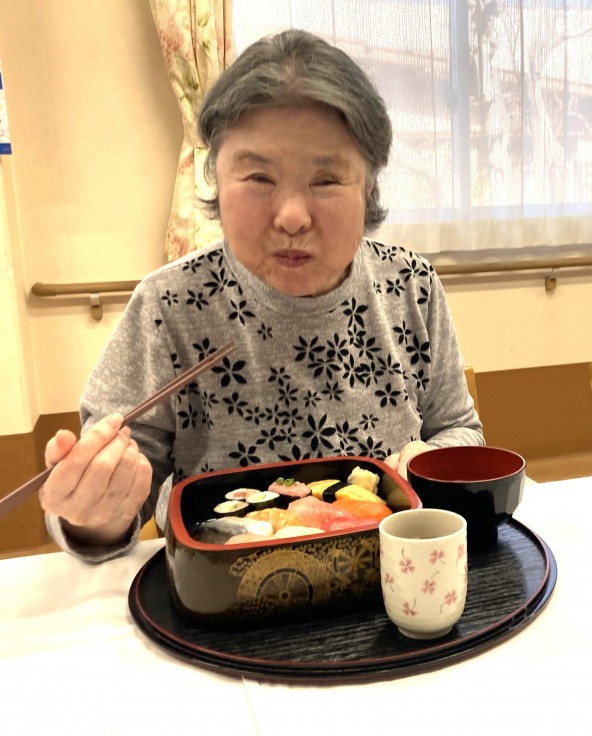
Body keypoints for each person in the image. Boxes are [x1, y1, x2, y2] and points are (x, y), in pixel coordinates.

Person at [41, 29, 484, 561]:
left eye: (326, 180)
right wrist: (96, 514)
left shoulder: (411, 286)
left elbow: (458, 428)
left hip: (389, 575)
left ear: (369, 186)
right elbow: (109, 499)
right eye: (258, 177)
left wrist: (430, 463)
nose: (292, 216)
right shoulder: (170, 306)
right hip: (223, 590)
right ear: (215, 178)